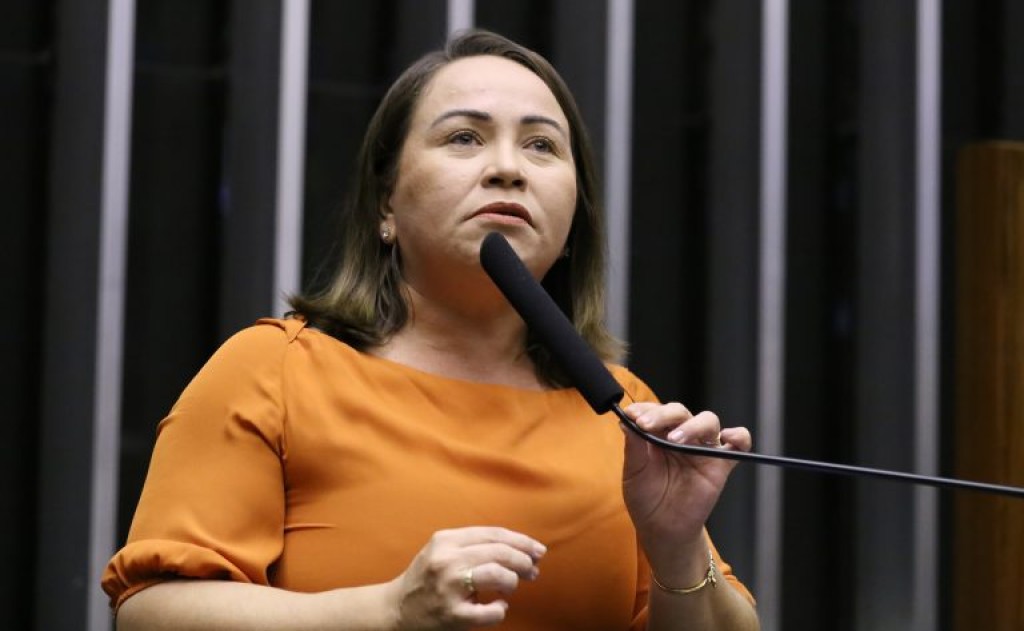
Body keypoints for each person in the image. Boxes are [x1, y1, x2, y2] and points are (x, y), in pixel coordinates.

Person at [102, 29, 760, 630]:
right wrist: (388, 609)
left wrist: (676, 548)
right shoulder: (273, 370)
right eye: (464, 138)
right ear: (385, 203)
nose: (508, 168)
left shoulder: (624, 413)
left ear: (571, 225)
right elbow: (151, 613)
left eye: (541, 145)